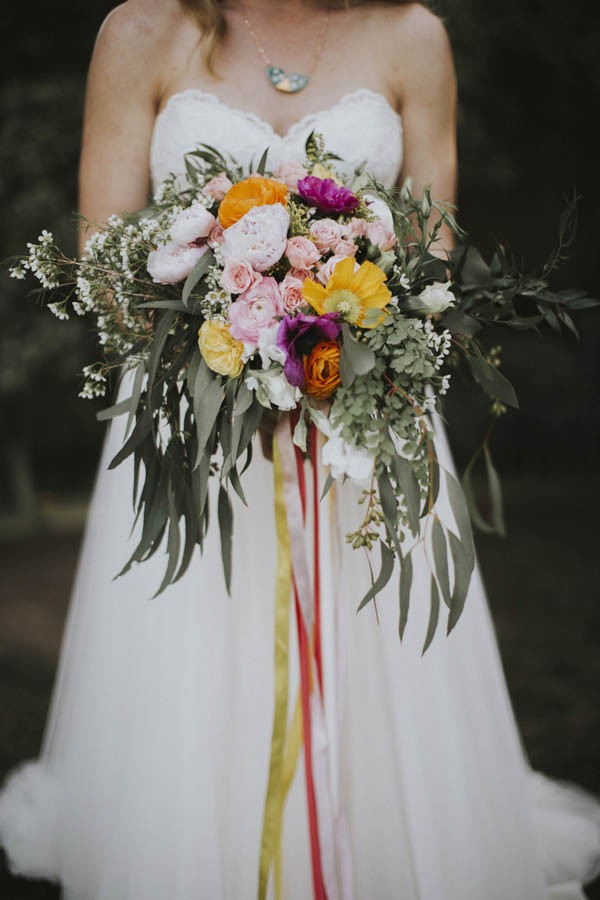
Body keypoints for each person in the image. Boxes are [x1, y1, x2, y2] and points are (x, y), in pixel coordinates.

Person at [1, 1, 599, 898]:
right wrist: (236, 345)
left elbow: (434, 248)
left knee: (373, 664)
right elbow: (102, 259)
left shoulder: (413, 35)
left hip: (366, 410)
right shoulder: (140, 32)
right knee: (200, 653)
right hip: (195, 423)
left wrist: (342, 332)